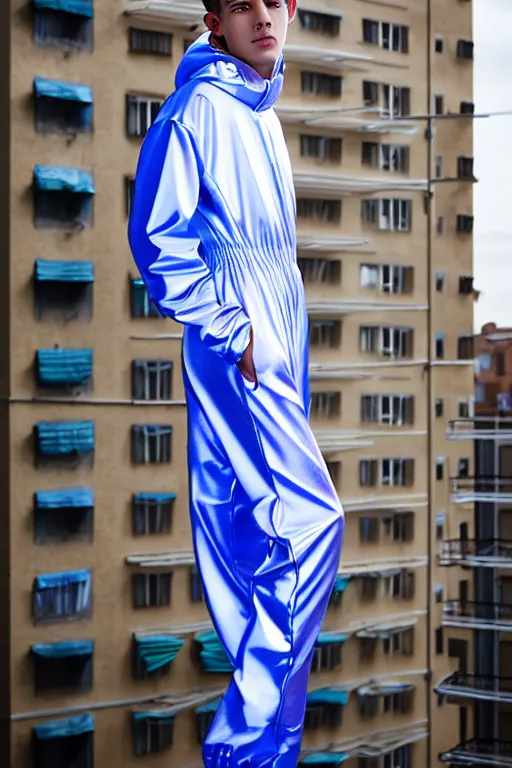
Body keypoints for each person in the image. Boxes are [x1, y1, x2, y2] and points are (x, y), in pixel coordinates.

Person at [128, 1, 344, 766]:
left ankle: (264, 746)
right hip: (241, 333)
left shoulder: (260, 113)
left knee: (256, 537)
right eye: (242, 4)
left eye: (274, 2)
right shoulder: (198, 110)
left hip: (277, 326)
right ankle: (249, 748)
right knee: (313, 524)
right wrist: (234, 331)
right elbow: (158, 237)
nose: (263, 17)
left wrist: (275, 327)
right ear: (215, 19)